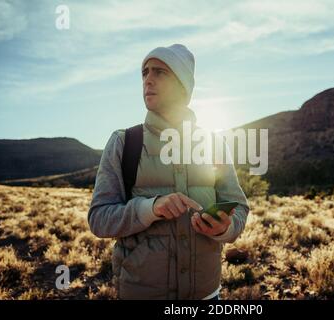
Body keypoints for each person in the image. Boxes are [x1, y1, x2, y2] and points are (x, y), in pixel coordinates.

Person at [88, 44, 249, 300]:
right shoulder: (123, 143)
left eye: (160, 72)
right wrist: (150, 208)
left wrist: (224, 228)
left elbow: (239, 208)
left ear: (183, 86)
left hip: (207, 295)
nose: (148, 80)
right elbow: (99, 219)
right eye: (144, 72)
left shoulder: (213, 143)